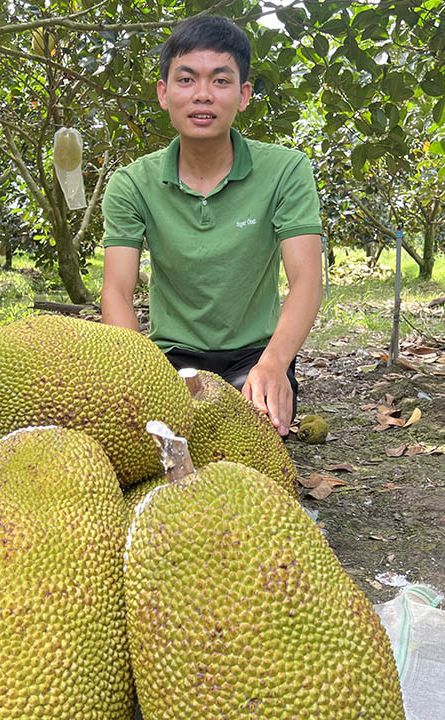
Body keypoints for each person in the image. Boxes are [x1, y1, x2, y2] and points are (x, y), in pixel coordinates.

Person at [100, 14, 323, 436]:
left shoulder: (286, 170)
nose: (203, 95)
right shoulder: (132, 183)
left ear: (243, 95)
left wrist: (274, 364)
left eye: (220, 81)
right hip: (168, 357)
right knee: (140, 440)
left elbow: (307, 280)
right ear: (164, 93)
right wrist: (139, 373)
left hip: (254, 357)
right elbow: (116, 291)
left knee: (247, 439)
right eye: (187, 80)